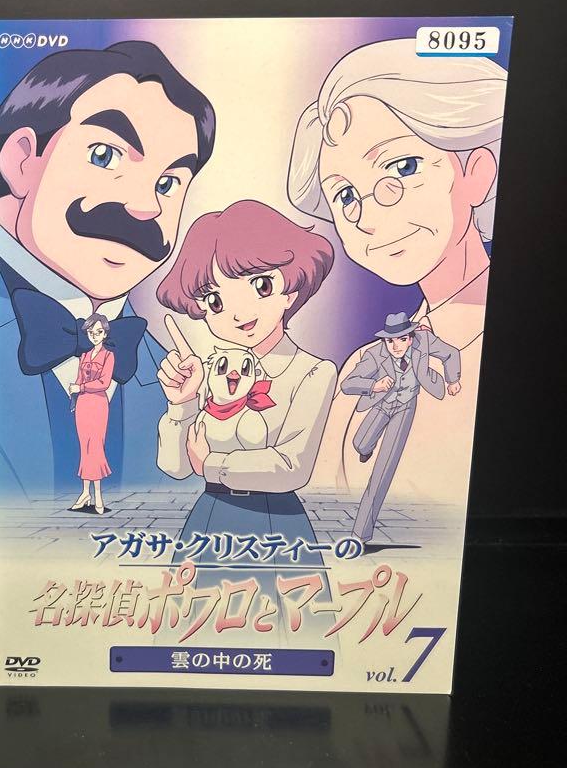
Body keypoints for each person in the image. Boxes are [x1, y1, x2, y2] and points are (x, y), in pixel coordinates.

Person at [0, 40, 216, 500]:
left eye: (168, 184)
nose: (146, 206)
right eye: (105, 156)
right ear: (21, 160)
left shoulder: (165, 374)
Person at [287, 38, 506, 503]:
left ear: (476, 173)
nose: (367, 216)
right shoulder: (363, 367)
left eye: (402, 167)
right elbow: (322, 515)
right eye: (345, 195)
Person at [155, 200, 336, 566]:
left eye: (261, 285)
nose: (238, 313)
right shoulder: (206, 372)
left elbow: (292, 467)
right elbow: (176, 468)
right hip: (210, 518)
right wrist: (181, 405)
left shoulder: (312, 372)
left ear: (291, 288)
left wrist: (211, 464)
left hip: (275, 524)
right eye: (215, 301)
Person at [341, 312, 461, 543]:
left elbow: (451, 353)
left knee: (383, 469)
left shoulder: (424, 341)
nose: (396, 346)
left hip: (405, 408)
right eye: (390, 341)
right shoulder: (374, 355)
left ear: (411, 337)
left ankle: (361, 533)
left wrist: (452, 380)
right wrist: (373, 385)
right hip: (381, 404)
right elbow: (348, 384)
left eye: (402, 339)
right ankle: (365, 449)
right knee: (360, 443)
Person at [69, 313, 115, 513]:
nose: (95, 336)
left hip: (98, 404)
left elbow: (104, 382)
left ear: (105, 333)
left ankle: (98, 495)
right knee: (85, 447)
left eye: (99, 332)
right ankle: (85, 492)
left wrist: (81, 387)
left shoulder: (108, 356)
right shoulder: (84, 356)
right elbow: (79, 379)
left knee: (95, 447)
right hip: (83, 405)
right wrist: (75, 390)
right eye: (91, 332)